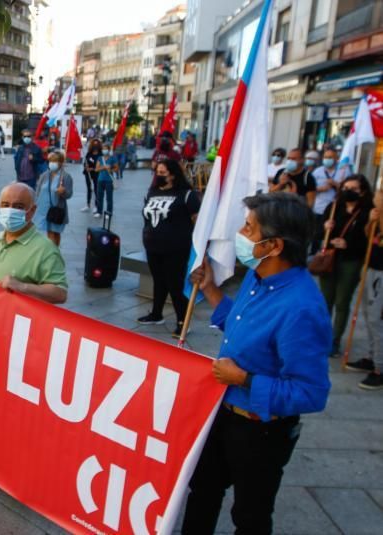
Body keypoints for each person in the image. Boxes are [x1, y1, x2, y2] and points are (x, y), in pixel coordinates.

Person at [182, 192, 331, 535]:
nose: (240, 233)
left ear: (273, 245)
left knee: (250, 515)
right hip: (221, 412)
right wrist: (212, 291)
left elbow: (310, 393)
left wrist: (245, 379)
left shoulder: (302, 308)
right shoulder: (257, 276)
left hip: (261, 430)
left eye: (248, 228)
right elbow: (240, 323)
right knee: (203, 490)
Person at [0, 182, 68, 304]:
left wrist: (23, 287)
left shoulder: (46, 249)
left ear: (32, 210)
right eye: (5, 205)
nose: (10, 211)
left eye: (19, 206)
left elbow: (60, 293)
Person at [139, 159, 201, 338]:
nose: (158, 176)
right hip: (153, 246)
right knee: (158, 281)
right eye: (157, 172)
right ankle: (156, 314)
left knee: (175, 285)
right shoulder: (152, 192)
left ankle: (183, 321)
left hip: (176, 248)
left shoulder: (186, 194)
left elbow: (197, 220)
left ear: (173, 174)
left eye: (162, 173)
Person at [318, 175, 373, 357]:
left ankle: (335, 340)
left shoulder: (367, 212)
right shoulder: (333, 207)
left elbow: (368, 240)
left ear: (362, 191)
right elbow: (318, 233)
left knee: (342, 301)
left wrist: (348, 244)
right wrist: (325, 227)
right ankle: (321, 337)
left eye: (353, 188)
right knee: (325, 300)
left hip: (351, 261)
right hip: (330, 259)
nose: (348, 191)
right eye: (345, 187)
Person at [346, 189, 383, 389]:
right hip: (372, 267)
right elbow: (371, 238)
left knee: (377, 319)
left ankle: (380, 368)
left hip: (382, 274)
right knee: (369, 316)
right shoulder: (377, 212)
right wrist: (371, 221)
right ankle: (373, 356)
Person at [34, 150, 74, 247]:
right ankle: (53, 252)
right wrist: (35, 204)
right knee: (50, 232)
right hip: (44, 209)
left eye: (55, 161)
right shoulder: (44, 175)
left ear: (60, 163)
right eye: (50, 161)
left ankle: (54, 252)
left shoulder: (65, 177)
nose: (52, 163)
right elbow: (38, 191)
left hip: (57, 209)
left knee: (55, 232)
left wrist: (63, 191)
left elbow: (69, 195)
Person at [94, 146, 117, 217]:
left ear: (109, 150)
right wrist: (104, 167)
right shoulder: (100, 158)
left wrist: (111, 170)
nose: (104, 150)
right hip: (100, 180)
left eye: (106, 149)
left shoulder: (113, 158)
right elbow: (96, 169)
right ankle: (99, 211)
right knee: (99, 197)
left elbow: (117, 168)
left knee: (109, 198)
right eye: (103, 149)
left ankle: (109, 212)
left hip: (109, 181)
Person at [80, 138, 102, 212]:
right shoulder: (89, 154)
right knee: (89, 189)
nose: (95, 146)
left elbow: (100, 165)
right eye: (94, 144)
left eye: (97, 144)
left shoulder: (100, 155)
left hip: (97, 173)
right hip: (88, 173)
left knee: (96, 189)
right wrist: (86, 167)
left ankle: (96, 205)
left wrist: (92, 168)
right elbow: (85, 162)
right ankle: (88, 204)